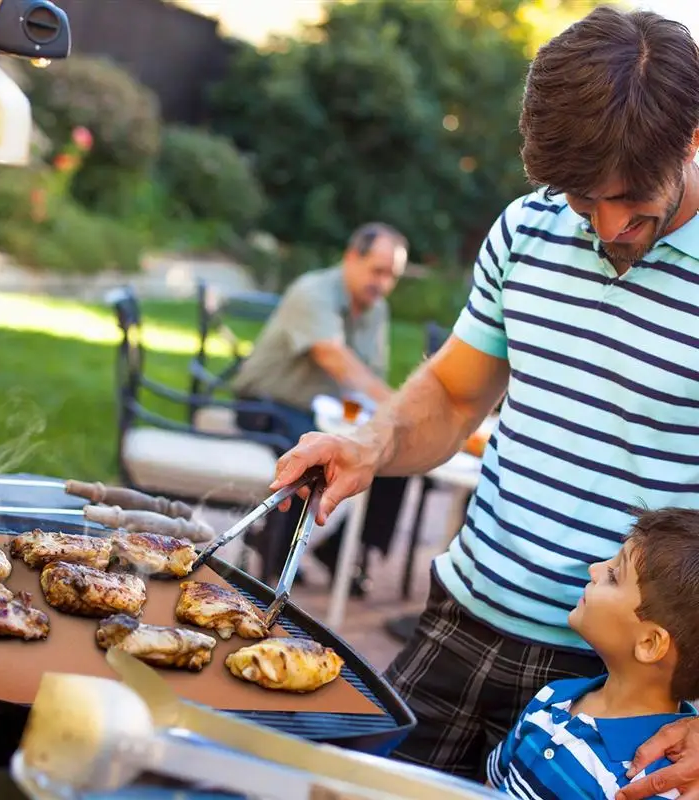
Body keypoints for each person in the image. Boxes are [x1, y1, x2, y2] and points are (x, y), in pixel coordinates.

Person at [269, 6, 699, 796]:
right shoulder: (525, 231)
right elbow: (454, 394)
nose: (606, 227)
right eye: (581, 199)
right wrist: (372, 443)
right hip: (462, 621)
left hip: (631, 682)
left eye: (633, 200)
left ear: (694, 137)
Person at [232, 222, 410, 593]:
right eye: (377, 270)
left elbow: (369, 375)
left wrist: (390, 423)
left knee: (396, 451)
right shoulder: (313, 291)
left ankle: (345, 550)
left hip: (322, 411)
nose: (383, 283)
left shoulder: (377, 311)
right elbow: (336, 359)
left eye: (392, 276)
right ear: (350, 257)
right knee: (313, 449)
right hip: (266, 402)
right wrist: (400, 408)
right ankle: (275, 559)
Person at [487, 507, 698, 799]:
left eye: (613, 575)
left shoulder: (650, 781)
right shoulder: (554, 697)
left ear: (649, 643)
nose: (594, 569)